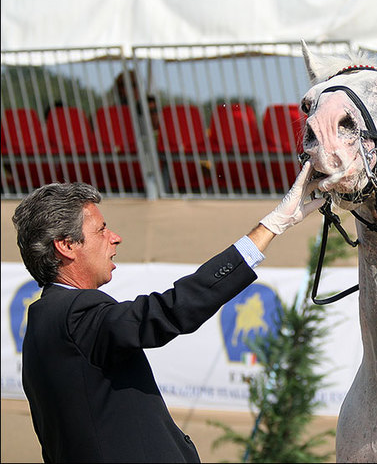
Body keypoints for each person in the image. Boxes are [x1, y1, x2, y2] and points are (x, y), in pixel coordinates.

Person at [12, 164, 324, 463]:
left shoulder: (44, 320)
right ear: (66, 246)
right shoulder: (75, 313)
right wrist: (270, 227)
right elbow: (170, 311)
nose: (115, 237)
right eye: (101, 230)